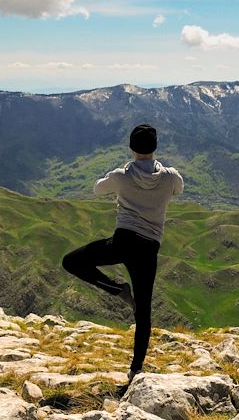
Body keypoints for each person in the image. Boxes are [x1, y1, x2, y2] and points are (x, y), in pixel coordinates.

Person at [62, 124, 184, 381]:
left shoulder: (121, 176)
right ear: (155, 147)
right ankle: (136, 369)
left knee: (72, 261)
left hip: (123, 241)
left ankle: (116, 289)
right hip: (149, 248)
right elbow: (178, 189)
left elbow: (97, 188)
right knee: (144, 311)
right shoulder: (170, 176)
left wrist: (119, 176)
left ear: (131, 148)